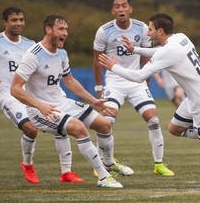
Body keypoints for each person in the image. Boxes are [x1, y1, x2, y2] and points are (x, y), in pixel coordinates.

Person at [98, 13, 200, 186]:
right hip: (194, 98)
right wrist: (135, 49)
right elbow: (159, 51)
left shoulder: (168, 51)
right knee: (174, 129)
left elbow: (139, 76)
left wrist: (113, 67)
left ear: (160, 31)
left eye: (150, 30)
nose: (148, 34)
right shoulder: (180, 37)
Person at [10, 13, 125, 188]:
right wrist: (39, 105)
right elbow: (15, 89)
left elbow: (69, 81)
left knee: (104, 124)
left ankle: (109, 163)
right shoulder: (33, 55)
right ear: (48, 30)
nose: (65, 33)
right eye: (61, 29)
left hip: (61, 103)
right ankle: (103, 177)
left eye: (66, 29)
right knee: (79, 128)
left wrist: (93, 100)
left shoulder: (62, 53)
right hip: (39, 110)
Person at [0, 7, 84, 184]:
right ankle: (27, 164)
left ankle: (66, 172)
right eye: (14, 20)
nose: (19, 23)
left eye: (21, 20)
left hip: (36, 95)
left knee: (61, 125)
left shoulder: (30, 44)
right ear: (5, 23)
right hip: (10, 96)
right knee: (30, 129)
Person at [93, 0, 174, 177]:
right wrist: (99, 89)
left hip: (136, 80)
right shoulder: (104, 31)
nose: (121, 9)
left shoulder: (142, 28)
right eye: (117, 6)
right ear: (113, 11)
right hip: (114, 81)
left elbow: (146, 57)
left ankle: (159, 164)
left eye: (124, 6)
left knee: (153, 119)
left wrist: (146, 81)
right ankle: (101, 165)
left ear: (130, 9)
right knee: (106, 121)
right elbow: (97, 61)